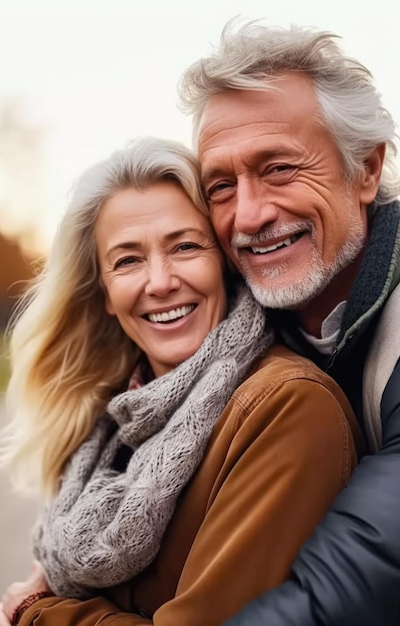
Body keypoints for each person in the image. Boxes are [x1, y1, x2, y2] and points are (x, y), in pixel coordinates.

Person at [0, 136, 360, 626]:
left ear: (223, 263)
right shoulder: (112, 426)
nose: (160, 282)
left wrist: (38, 613)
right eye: (127, 260)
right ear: (103, 292)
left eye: (184, 246)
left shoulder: (285, 406)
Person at [178, 18, 400, 626]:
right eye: (220, 186)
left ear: (366, 171)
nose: (248, 216)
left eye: (279, 169)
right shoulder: (222, 333)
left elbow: (360, 578)